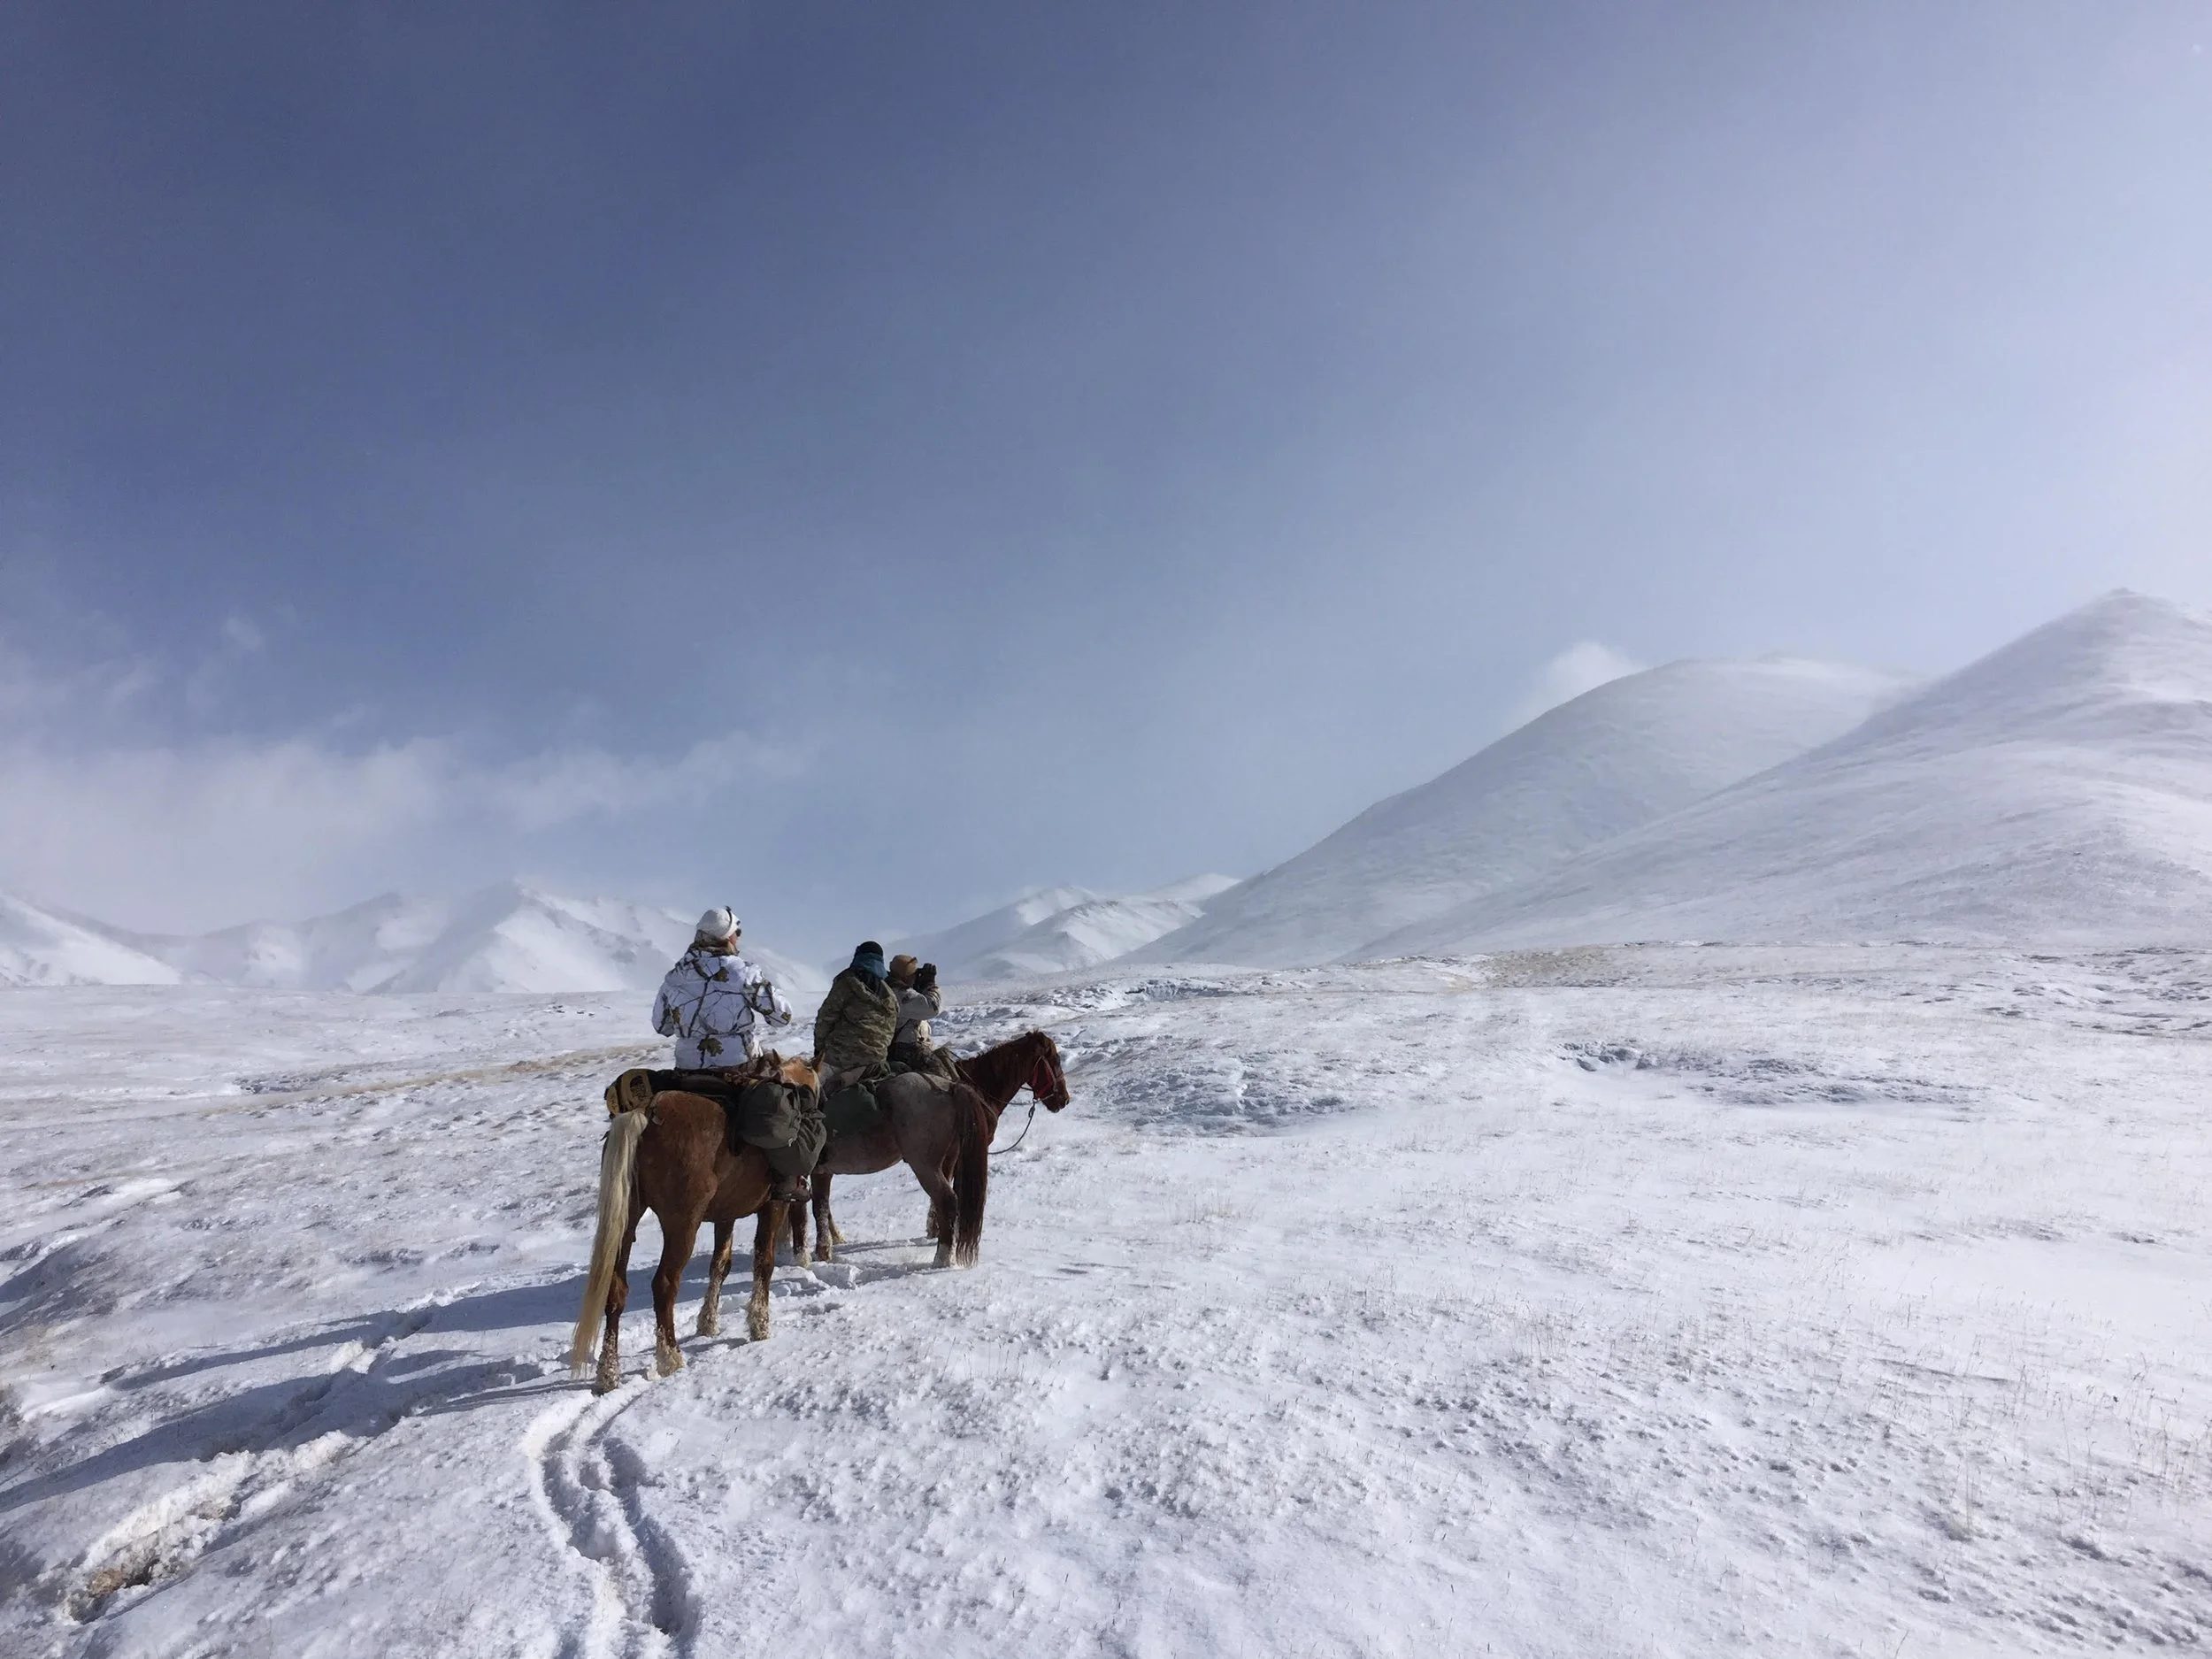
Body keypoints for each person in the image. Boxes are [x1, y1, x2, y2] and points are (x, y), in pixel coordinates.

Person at [651, 907, 795, 1069]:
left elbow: (662, 1026)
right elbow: (782, 1017)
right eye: (737, 932)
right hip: (739, 1066)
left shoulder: (674, 977)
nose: (738, 937)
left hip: (687, 1067)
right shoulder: (743, 972)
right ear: (727, 937)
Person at [812, 940, 900, 1076]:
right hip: (876, 1062)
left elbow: (827, 1017)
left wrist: (819, 1049)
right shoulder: (890, 994)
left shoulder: (847, 982)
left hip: (840, 1057)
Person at [887, 955, 948, 1075]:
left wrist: (916, 988)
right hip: (904, 1047)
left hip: (898, 1045)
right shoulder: (900, 993)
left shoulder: (889, 988)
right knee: (941, 1073)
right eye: (914, 975)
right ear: (906, 977)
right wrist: (929, 984)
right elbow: (932, 1008)